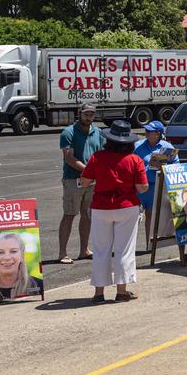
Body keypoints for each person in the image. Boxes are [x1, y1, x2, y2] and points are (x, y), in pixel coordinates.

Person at [79, 120, 148, 303]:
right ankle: (122, 291)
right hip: (126, 206)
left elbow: (84, 182)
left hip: (101, 206)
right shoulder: (135, 160)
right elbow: (142, 188)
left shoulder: (97, 157)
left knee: (101, 249)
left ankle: (99, 293)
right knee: (124, 249)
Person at [57, 104, 104, 264]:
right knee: (69, 215)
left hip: (92, 181)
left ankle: (84, 250)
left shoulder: (97, 132)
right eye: (86, 114)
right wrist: (88, 170)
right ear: (80, 114)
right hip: (73, 180)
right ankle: (62, 253)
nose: (88, 117)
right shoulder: (68, 132)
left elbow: (101, 153)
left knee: (87, 215)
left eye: (91, 114)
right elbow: (69, 157)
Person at [133, 120, 178, 244]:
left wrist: (161, 167)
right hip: (139, 187)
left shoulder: (168, 147)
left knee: (151, 216)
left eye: (149, 131)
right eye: (146, 131)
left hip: (156, 187)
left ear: (157, 134)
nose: (146, 133)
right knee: (132, 218)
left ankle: (149, 245)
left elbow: (176, 166)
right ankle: (128, 246)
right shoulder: (137, 145)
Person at [0, 232, 43, 301]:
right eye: (0, 252)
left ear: (22, 256)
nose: (7, 257)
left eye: (13, 251)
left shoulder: (40, 286)